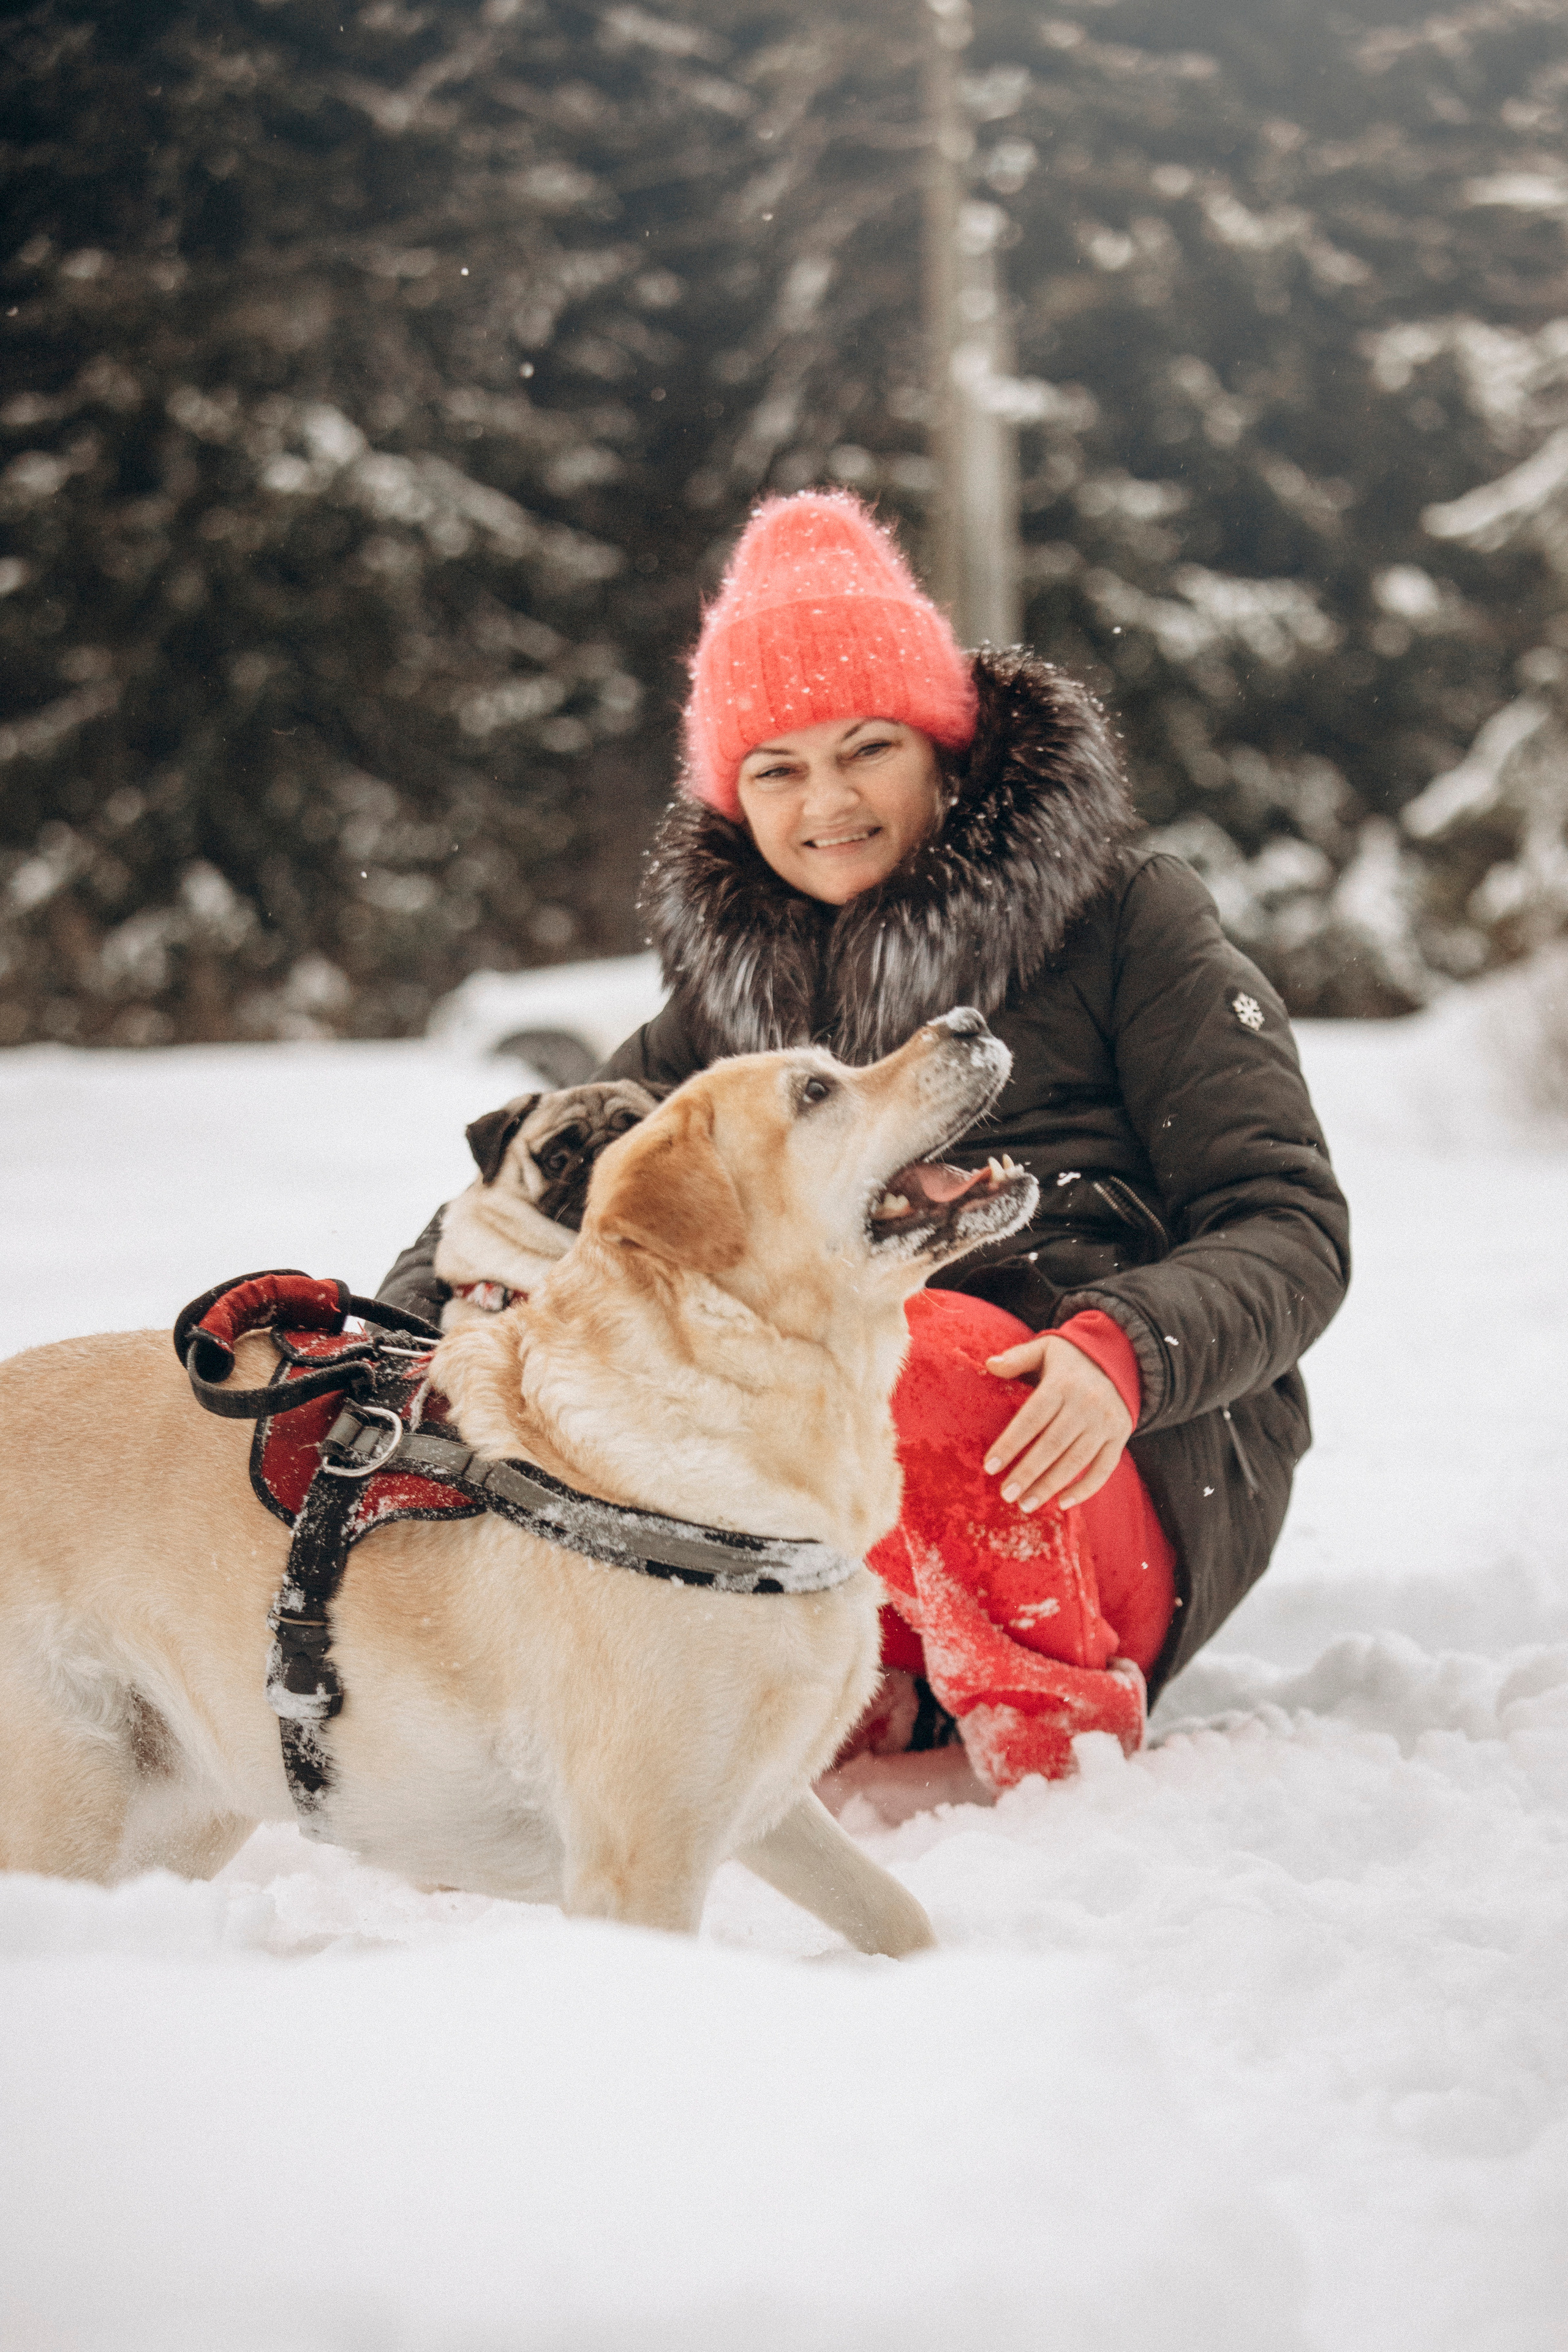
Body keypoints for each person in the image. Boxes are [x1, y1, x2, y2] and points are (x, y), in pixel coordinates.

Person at [380, 491, 1349, 1785]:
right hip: (852, 1508)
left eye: (865, 748)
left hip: (1111, 1463)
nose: (823, 801)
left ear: (941, 746)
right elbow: (534, 1195)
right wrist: (395, 1348)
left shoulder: (1123, 919)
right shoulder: (724, 1010)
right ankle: (853, 1683)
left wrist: (1125, 1350)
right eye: (775, 769)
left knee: (909, 1354)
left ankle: (1050, 1727)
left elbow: (1285, 1220)